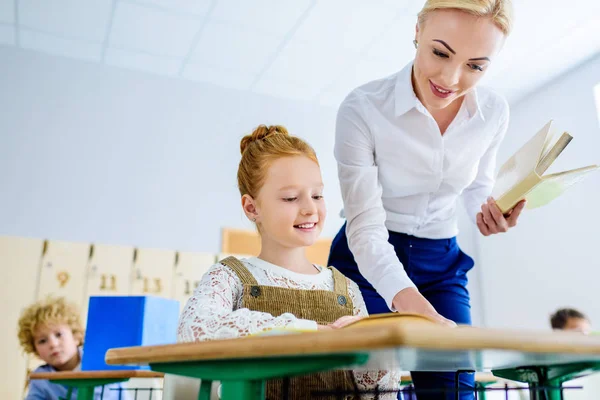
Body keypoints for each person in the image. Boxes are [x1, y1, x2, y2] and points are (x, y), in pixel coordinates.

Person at [328, 1, 522, 399]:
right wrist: (413, 306)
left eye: (476, 66)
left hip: (442, 262)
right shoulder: (363, 108)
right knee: (363, 390)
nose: (451, 79)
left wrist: (489, 212)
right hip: (366, 260)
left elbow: (474, 187)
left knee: (454, 389)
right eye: (440, 52)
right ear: (418, 30)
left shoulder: (493, 113)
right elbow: (364, 229)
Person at [177, 124, 400, 399]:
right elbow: (194, 331)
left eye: (317, 195)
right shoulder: (228, 277)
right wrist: (311, 331)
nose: (310, 208)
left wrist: (378, 352)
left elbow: (373, 390)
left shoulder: (347, 289)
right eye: (291, 197)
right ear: (251, 207)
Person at [18, 296, 124, 400]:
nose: (53, 344)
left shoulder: (100, 366)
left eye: (59, 334)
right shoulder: (40, 378)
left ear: (76, 337)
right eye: (42, 341)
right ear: (36, 351)